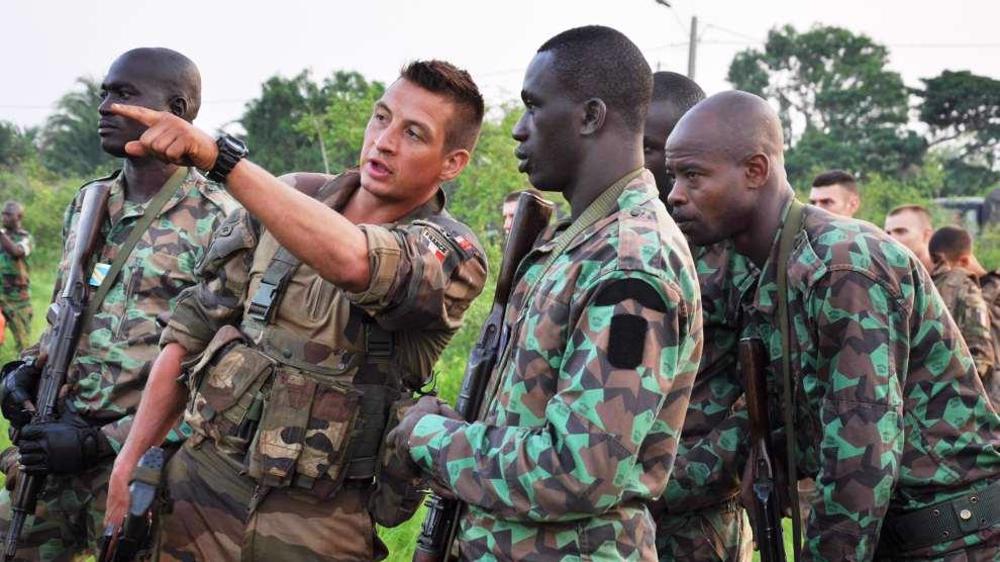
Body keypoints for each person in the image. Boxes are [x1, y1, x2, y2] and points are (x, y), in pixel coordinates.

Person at [104, 60, 488, 561]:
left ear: (452, 162)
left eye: (414, 133)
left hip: (320, 524)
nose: (384, 141)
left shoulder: (452, 251)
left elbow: (357, 261)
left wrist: (222, 160)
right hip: (200, 491)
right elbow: (195, 327)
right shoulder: (292, 194)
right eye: (381, 117)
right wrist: (129, 459)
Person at [387, 26, 702, 561]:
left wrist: (430, 437)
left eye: (534, 107)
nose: (517, 129)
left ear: (590, 116)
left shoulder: (631, 263)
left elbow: (579, 469)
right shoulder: (578, 241)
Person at [666, 89, 1000, 560]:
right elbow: (790, 422)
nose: (675, 195)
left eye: (692, 176)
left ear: (755, 171)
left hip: (955, 541)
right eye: (673, 176)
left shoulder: (841, 265)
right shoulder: (773, 273)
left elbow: (861, 461)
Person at [0, 48, 238, 561]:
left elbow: (222, 375)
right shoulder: (88, 203)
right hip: (54, 450)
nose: (105, 106)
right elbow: (68, 318)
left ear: (177, 109)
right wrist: (25, 371)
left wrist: (100, 442)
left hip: (144, 463)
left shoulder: (224, 220)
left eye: (124, 94)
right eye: (104, 93)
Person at [643, 71, 753, 561]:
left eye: (654, 150)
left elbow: (765, 402)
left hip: (698, 524)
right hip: (617, 514)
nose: (650, 168)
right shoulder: (630, 245)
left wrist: (668, 481)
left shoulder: (735, 257)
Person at [929, 225, 996, 402]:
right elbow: (981, 357)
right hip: (974, 403)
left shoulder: (928, 286)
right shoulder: (963, 285)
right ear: (965, 259)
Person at [0, 201, 33, 352]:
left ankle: (20, 374)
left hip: (18, 300)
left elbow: (16, 252)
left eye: (8, 214)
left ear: (18, 217)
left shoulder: (26, 238)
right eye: (3, 214)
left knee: (23, 345)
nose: (3, 217)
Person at [885, 204, 935, 272]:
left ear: (926, 236)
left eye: (900, 231)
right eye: (888, 233)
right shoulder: (887, 275)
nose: (890, 238)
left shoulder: (949, 279)